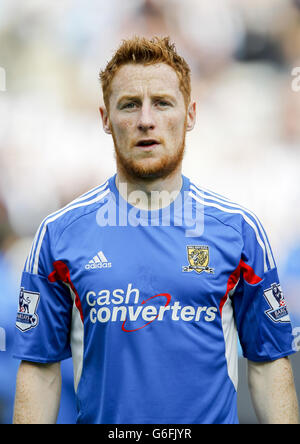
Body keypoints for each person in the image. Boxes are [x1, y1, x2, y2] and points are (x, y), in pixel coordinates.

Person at [12, 36, 299, 424]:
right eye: (129, 105)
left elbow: (267, 366)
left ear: (191, 114)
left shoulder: (239, 231)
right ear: (104, 118)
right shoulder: (60, 234)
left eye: (162, 103)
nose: (146, 119)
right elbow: (41, 370)